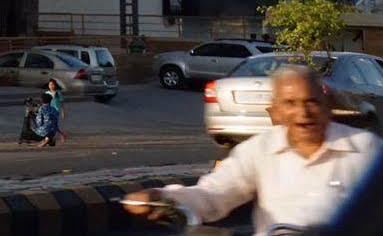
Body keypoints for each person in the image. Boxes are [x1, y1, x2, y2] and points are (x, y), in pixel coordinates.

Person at [126, 65, 377, 233]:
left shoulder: (365, 149)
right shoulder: (259, 151)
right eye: (290, 103)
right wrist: (163, 197)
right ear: (275, 111)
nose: (303, 113)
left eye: (311, 101)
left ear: (327, 105)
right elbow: (213, 194)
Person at [35, 79, 62, 148]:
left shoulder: (41, 108)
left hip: (44, 129)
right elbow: (56, 121)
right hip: (53, 129)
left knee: (40, 129)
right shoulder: (53, 109)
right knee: (51, 127)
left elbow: (39, 121)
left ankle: (46, 139)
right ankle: (49, 139)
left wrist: (39, 126)